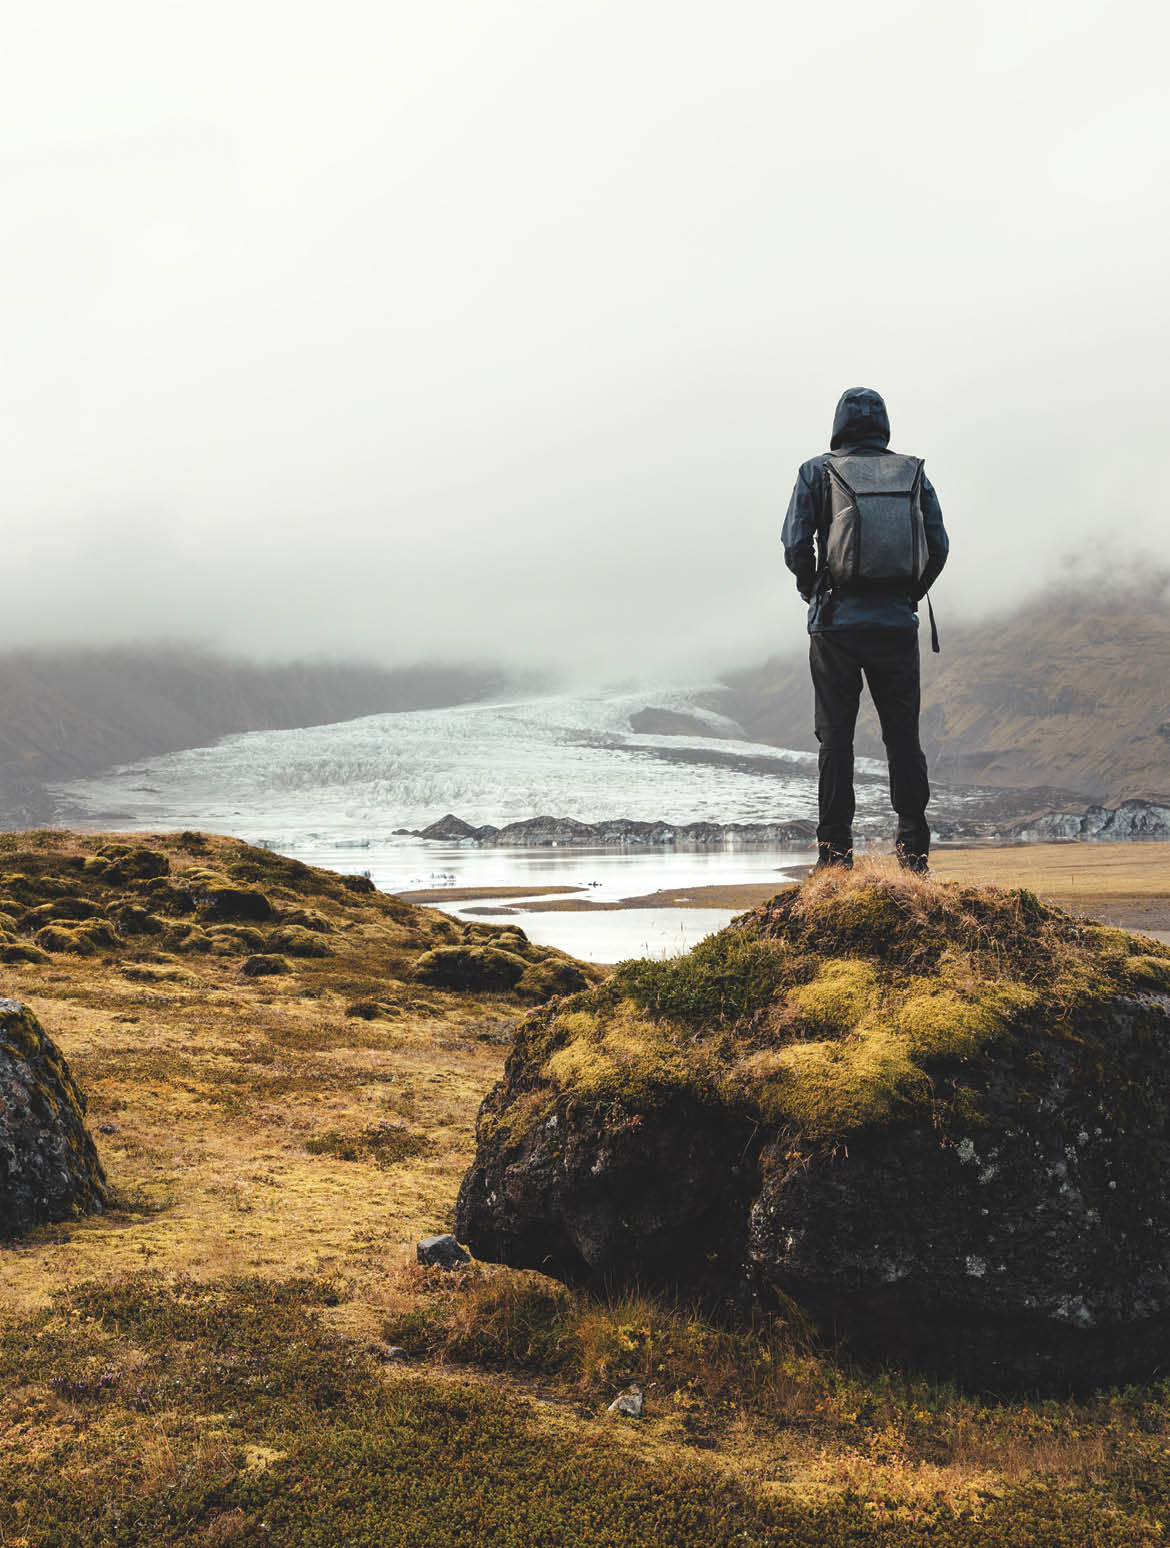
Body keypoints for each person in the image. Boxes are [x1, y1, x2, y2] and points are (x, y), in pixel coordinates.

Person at [781, 386, 949, 873]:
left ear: (838, 423)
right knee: (903, 737)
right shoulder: (913, 473)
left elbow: (795, 545)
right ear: (883, 425)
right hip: (895, 626)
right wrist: (907, 596)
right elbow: (938, 545)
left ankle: (835, 858)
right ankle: (914, 854)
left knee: (836, 740)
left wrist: (814, 589)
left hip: (835, 626)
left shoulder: (817, 471)